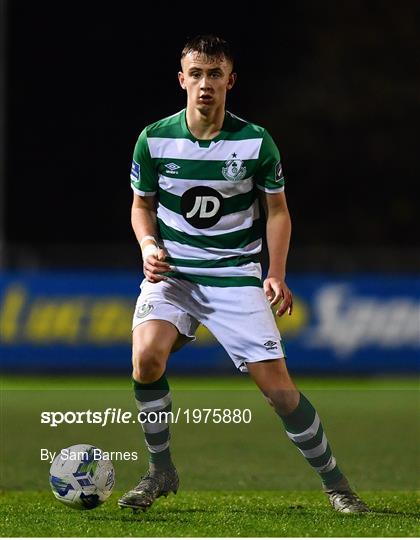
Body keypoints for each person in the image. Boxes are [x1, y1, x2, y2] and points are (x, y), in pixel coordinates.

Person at [118, 34, 369, 514]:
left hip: (234, 275)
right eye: (196, 74)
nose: (205, 84)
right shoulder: (153, 138)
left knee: (279, 392)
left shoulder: (255, 141)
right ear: (181, 80)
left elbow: (277, 211)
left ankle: (337, 484)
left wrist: (275, 273)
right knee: (146, 358)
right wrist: (149, 245)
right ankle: (160, 471)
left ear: (230, 81)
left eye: (214, 74)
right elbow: (140, 206)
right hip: (174, 275)